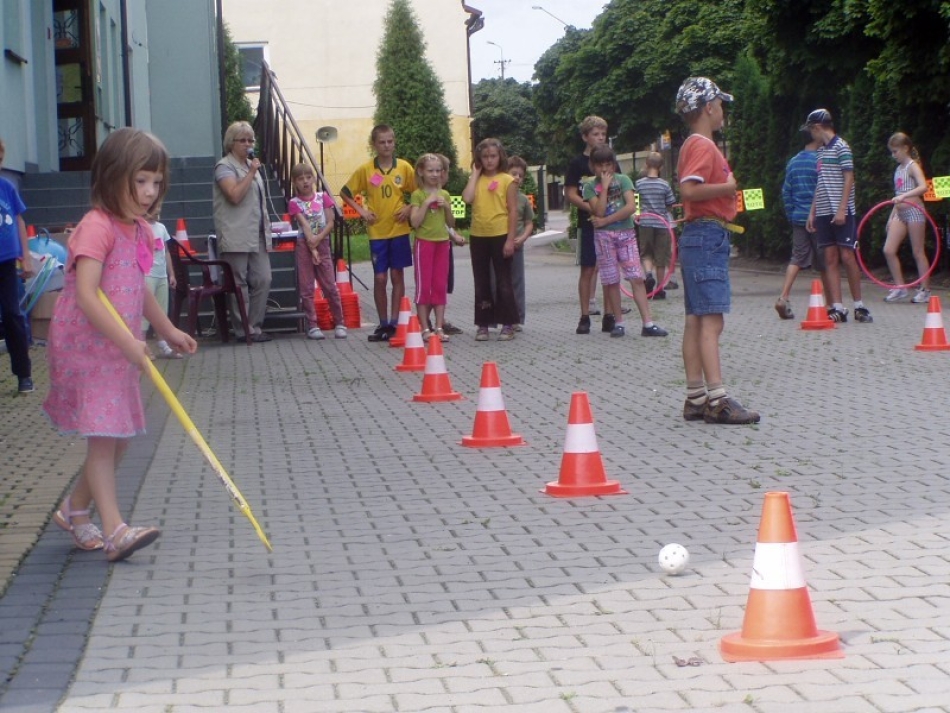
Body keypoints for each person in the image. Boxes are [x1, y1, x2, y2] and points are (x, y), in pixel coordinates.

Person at [43, 128, 197, 561]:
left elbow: (137, 288)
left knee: (120, 439)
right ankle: (116, 531)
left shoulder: (142, 231)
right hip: (86, 349)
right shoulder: (96, 228)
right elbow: (89, 295)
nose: (149, 193)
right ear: (113, 177)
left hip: (118, 348)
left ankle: (75, 510)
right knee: (105, 437)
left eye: (156, 182)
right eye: (140, 181)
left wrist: (166, 330)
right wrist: (130, 342)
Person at [675, 77, 760, 425]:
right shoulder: (703, 146)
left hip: (699, 236)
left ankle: (696, 397)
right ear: (708, 108)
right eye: (720, 104)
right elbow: (689, 190)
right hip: (708, 234)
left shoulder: (690, 145)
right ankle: (718, 399)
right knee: (712, 319)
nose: (723, 109)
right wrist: (728, 186)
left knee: (696, 318)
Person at [582, 144, 667, 339]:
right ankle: (618, 322)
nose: (605, 170)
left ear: (613, 165)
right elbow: (599, 211)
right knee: (611, 280)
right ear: (593, 166)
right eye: (600, 165)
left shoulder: (624, 180)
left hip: (625, 234)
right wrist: (603, 189)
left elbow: (630, 207)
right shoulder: (589, 186)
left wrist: (606, 221)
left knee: (636, 277)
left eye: (608, 164)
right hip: (604, 238)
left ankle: (648, 323)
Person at [341, 125, 416, 342]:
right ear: (374, 144)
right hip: (377, 231)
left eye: (390, 141)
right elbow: (346, 193)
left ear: (394, 142)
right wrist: (362, 211)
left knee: (396, 275)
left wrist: (409, 207)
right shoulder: (366, 170)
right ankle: (382, 322)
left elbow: (420, 191)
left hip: (399, 230)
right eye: (382, 142)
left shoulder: (404, 168)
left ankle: (395, 321)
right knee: (381, 277)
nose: (386, 146)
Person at [803, 108, 872, 324]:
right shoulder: (821, 152)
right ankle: (838, 307)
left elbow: (849, 178)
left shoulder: (842, 147)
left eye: (810, 130)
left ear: (817, 127)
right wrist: (812, 211)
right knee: (830, 258)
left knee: (847, 256)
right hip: (823, 211)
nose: (810, 135)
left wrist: (842, 208)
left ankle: (859, 305)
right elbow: (820, 183)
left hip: (841, 209)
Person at [212, 121, 274, 342]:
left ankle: (254, 326)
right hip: (235, 233)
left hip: (256, 232)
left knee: (263, 278)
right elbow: (235, 195)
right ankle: (242, 330)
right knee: (238, 283)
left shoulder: (251, 166)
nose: (248, 144)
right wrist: (251, 172)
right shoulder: (224, 167)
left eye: (250, 140)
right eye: (243, 140)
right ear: (232, 142)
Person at [461, 138, 519, 341]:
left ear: (500, 157)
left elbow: (513, 210)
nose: (489, 160)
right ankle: (483, 323)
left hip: (500, 234)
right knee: (481, 281)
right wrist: (475, 173)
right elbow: (467, 199)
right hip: (478, 235)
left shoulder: (507, 180)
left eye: (493, 156)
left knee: (503, 281)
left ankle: (508, 323)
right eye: (484, 157)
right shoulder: (476, 179)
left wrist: (510, 239)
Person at [287, 162, 346, 340]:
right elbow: (304, 224)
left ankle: (339, 322)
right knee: (306, 286)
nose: (305, 182)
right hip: (304, 244)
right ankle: (312, 325)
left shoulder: (323, 198)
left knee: (329, 285)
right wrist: (312, 247)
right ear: (294, 182)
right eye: (300, 179)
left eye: (308, 177)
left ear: (313, 178)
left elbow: (330, 222)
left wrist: (318, 239)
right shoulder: (294, 203)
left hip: (322, 241)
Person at [774, 137, 828, 319]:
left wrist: (791, 214)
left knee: (796, 258)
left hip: (798, 217)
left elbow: (786, 191)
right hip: (819, 217)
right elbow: (824, 190)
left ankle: (783, 297)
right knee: (825, 263)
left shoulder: (794, 161)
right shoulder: (820, 161)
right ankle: (830, 305)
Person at [565, 116, 608, 334]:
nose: (600, 138)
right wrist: (591, 207)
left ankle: (611, 313)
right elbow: (570, 192)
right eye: (595, 134)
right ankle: (584, 315)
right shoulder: (578, 164)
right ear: (585, 137)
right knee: (588, 268)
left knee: (609, 267)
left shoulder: (609, 161)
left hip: (609, 222)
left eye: (603, 134)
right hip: (588, 221)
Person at [0, 137, 35, 394]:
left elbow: (19, 221)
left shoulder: (7, 187)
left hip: (7, 261)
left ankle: (23, 374)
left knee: (12, 314)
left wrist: (27, 255)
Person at [410, 154, 456, 341]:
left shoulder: (445, 195)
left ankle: (439, 327)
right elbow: (414, 222)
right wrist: (426, 203)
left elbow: (452, 223)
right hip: (424, 244)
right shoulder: (418, 195)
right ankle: (424, 328)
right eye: (430, 170)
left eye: (438, 170)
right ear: (421, 171)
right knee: (424, 286)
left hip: (443, 243)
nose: (435, 174)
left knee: (439, 285)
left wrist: (446, 208)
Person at [882, 132, 931, 304]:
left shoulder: (912, 166)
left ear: (905, 148)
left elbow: (923, 187)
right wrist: (891, 217)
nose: (893, 155)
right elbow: (897, 196)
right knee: (888, 249)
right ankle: (900, 287)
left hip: (915, 212)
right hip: (900, 213)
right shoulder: (898, 169)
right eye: (892, 152)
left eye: (895, 151)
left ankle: (925, 290)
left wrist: (904, 196)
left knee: (917, 251)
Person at [635, 151, 677, 299]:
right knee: (661, 258)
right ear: (661, 167)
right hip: (662, 223)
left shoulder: (639, 184)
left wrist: (638, 215)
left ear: (646, 165)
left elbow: (636, 203)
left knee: (646, 253)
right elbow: (670, 204)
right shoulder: (664, 185)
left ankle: (648, 274)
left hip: (645, 223)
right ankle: (659, 289)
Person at [436, 153, 466, 335]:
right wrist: (454, 237)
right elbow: (439, 223)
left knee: (443, 284)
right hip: (436, 244)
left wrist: (454, 235)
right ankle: (437, 321)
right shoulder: (433, 195)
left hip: (444, 243)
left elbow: (447, 222)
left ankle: (441, 319)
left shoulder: (444, 195)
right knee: (437, 284)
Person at [144, 212, 181, 357]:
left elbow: (166, 252)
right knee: (146, 312)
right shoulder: (141, 228)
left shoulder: (161, 227)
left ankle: (162, 343)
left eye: (158, 209)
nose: (155, 213)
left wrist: (171, 273)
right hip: (148, 275)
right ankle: (143, 344)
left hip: (161, 275)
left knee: (162, 311)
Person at [505, 156, 534, 329]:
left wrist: (522, 237)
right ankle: (500, 315)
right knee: (499, 281)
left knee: (516, 282)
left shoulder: (523, 200)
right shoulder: (499, 196)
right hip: (500, 242)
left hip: (517, 245)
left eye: (520, 175)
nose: (516, 178)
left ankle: (516, 318)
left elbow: (529, 223)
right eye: (513, 173)